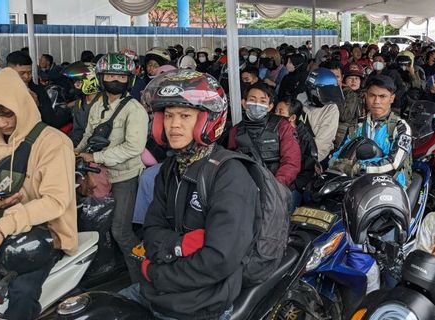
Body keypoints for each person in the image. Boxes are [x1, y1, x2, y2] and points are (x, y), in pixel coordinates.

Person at [120, 70, 256, 320]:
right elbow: (150, 231)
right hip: (159, 292)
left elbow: (219, 258)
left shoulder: (230, 175)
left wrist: (156, 272)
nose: (173, 125)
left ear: (207, 121)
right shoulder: (170, 169)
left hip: (203, 303)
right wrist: (181, 245)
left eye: (185, 116)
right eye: (168, 116)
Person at [0, 68, 77, 320]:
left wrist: (2, 226)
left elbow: (56, 201)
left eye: (7, 115)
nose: (1, 123)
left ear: (21, 106)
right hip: (0, 233)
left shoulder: (53, 142)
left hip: (45, 236)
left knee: (21, 293)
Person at [75, 53, 148, 282]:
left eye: (120, 75)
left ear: (129, 80)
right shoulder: (98, 105)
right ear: (100, 77)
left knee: (121, 231)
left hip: (124, 176)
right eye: (110, 74)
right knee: (97, 225)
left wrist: (95, 156)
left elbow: (133, 148)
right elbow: (88, 135)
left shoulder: (134, 109)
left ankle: (144, 276)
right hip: (98, 175)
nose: (114, 79)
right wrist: (76, 154)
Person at [330, 75, 412, 188]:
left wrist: (360, 168)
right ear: (365, 96)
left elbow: (395, 163)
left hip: (391, 185)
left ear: (391, 99)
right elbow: (342, 151)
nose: (376, 101)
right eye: (372, 95)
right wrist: (334, 162)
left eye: (382, 96)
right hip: (358, 182)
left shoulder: (401, 127)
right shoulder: (357, 125)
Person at [227, 82, 301, 187]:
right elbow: (231, 162)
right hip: (244, 188)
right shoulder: (236, 130)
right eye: (252, 100)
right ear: (244, 103)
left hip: (276, 188)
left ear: (270, 106)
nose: (257, 104)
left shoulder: (282, 126)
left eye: (262, 101)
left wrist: (275, 186)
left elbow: (291, 162)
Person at [6, 50, 71, 129]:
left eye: (29, 72)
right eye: (21, 73)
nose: (26, 77)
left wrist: (38, 106)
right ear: (9, 72)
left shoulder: (38, 91)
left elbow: (50, 121)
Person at [275, 96, 318, 207]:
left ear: (292, 117)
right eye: (275, 111)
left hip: (294, 187)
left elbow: (309, 167)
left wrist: (295, 186)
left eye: (280, 112)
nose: (275, 115)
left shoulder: (305, 138)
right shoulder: (273, 130)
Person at [299, 67, 342, 165]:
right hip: (295, 155)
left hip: (315, 159)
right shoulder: (298, 102)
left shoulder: (331, 108)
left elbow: (323, 143)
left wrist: (310, 163)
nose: (328, 96)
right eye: (324, 92)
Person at [61, 61, 101, 147]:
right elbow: (77, 130)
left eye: (78, 82)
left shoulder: (102, 103)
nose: (75, 85)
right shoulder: (79, 103)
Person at [335, 69, 365, 148]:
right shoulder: (341, 93)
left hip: (358, 134)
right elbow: (344, 116)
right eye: (350, 78)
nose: (353, 81)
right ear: (344, 80)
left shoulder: (365, 96)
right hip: (340, 134)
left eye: (357, 78)